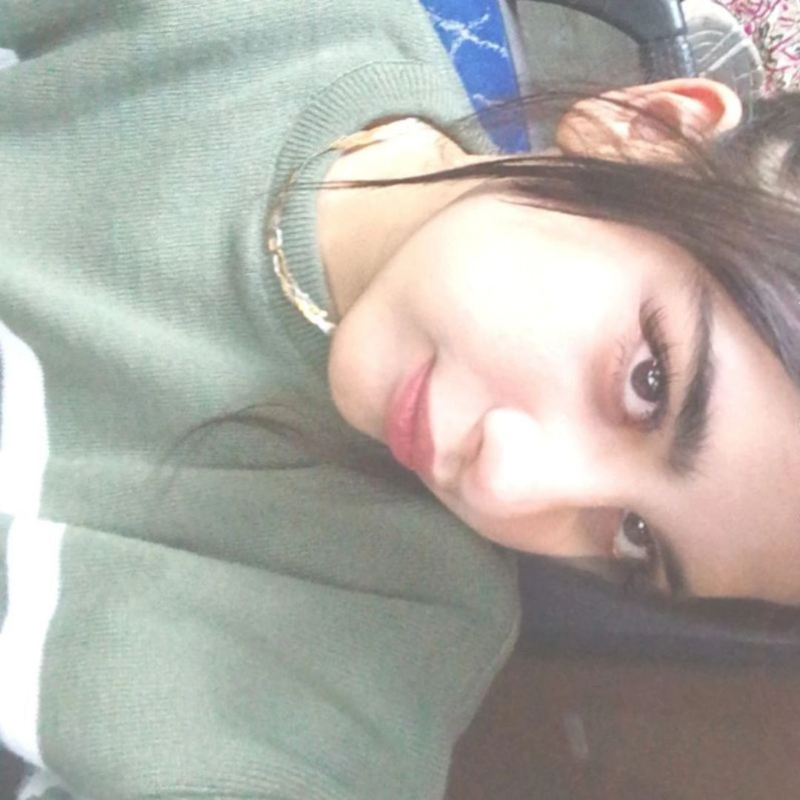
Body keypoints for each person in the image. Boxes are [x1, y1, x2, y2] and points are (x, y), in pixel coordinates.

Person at [0, 1, 798, 798]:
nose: (504, 485)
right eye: (648, 383)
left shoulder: (381, 633)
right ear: (647, 131)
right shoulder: (262, 24)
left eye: (634, 537)